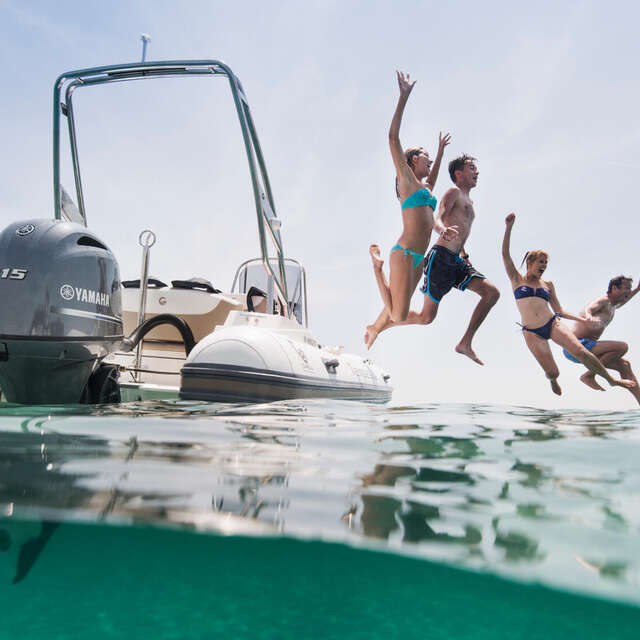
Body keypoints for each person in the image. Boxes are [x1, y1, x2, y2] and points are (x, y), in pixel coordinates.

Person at [367, 154, 500, 366]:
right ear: (459, 173)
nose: (477, 172)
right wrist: (442, 229)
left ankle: (465, 343)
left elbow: (461, 230)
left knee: (492, 293)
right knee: (425, 317)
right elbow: (439, 216)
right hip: (440, 259)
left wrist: (464, 256)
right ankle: (380, 326)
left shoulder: (470, 201)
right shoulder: (454, 192)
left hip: (458, 260)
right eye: (471, 168)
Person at [502, 213, 635, 395]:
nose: (544, 266)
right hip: (532, 331)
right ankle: (553, 380)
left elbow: (559, 311)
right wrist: (508, 228)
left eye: (546, 264)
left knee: (581, 351)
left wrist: (581, 321)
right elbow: (505, 255)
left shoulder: (547, 285)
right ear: (530, 262)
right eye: (541, 262)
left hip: (552, 323)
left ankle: (611, 380)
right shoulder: (517, 279)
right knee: (552, 371)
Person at [364, 70, 450, 348]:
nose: (429, 158)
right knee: (399, 313)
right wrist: (403, 97)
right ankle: (377, 268)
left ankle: (375, 329)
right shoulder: (407, 181)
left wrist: (440, 151)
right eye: (424, 154)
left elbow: (434, 177)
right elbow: (392, 138)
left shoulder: (425, 190)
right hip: (403, 255)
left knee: (397, 307)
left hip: (418, 257)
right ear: (411, 161)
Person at [563, 276, 640, 405]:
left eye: (629, 289)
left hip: (588, 348)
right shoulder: (604, 301)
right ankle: (589, 375)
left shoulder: (614, 305)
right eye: (626, 288)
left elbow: (625, 299)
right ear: (614, 288)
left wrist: (637, 289)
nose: (628, 292)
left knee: (625, 366)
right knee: (622, 347)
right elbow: (590, 308)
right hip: (576, 345)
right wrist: (588, 316)